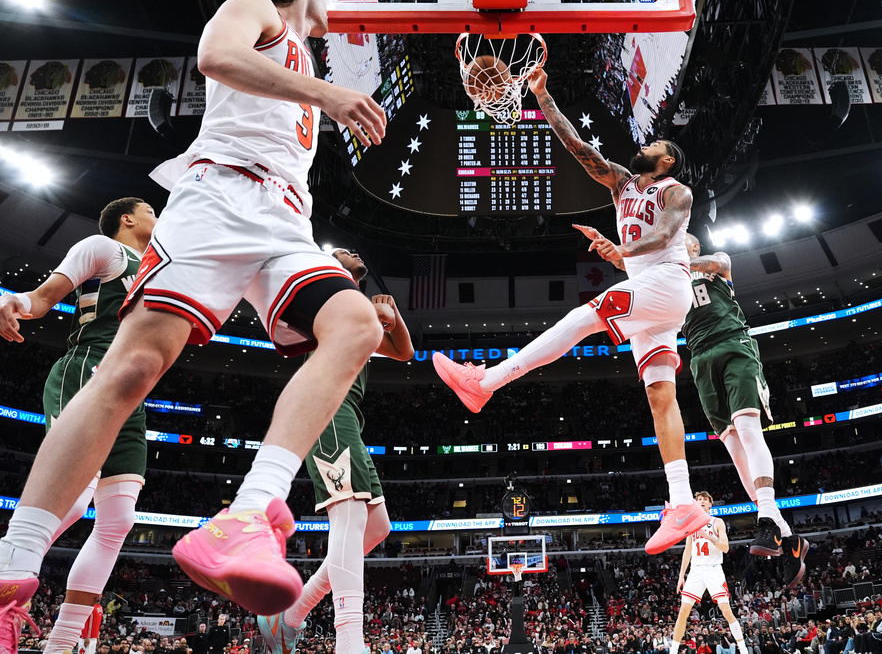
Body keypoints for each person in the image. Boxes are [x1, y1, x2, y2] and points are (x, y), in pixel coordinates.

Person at [0, 0, 388, 627]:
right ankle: (17, 554)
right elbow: (214, 55)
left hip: (287, 219)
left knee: (354, 324)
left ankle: (247, 511)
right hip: (221, 196)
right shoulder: (256, 6)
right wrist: (331, 95)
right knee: (131, 369)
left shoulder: (304, 47)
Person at [433, 67, 708, 553]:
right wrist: (543, 95)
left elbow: (666, 235)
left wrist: (623, 252)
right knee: (660, 398)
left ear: (667, 161)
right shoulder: (623, 184)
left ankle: (486, 383)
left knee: (584, 317)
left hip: (667, 283)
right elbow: (577, 146)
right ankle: (683, 502)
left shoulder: (675, 192)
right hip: (652, 300)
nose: (645, 145)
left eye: (656, 144)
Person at [0, 197, 157, 652]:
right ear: (127, 219)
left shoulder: (160, 266)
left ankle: (62, 642)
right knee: (74, 493)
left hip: (134, 388)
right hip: (89, 369)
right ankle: (11, 565)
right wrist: (16, 303)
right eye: (150, 209)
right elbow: (43, 299)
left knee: (119, 519)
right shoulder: (104, 248)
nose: (157, 216)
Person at [258, 247, 414, 654]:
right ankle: (349, 640)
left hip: (347, 417)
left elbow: (404, 352)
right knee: (347, 516)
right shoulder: (318, 299)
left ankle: (292, 613)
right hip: (326, 408)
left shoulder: (359, 313)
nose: (353, 250)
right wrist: (375, 317)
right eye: (341, 250)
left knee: (377, 527)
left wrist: (391, 320)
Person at [682, 234, 808, 586]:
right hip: (699, 359)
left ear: (693, 245)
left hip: (733, 344)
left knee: (749, 429)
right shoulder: (669, 281)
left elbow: (715, 262)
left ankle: (767, 520)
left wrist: (677, 262)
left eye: (684, 239)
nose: (678, 241)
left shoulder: (715, 265)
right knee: (733, 446)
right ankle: (788, 536)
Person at [669, 492, 748, 654]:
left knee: (726, 610)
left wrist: (709, 537)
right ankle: (673, 650)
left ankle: (743, 648)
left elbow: (725, 548)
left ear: (710, 504)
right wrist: (681, 576)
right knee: (683, 611)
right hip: (696, 570)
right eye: (699, 500)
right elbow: (687, 551)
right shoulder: (691, 524)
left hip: (713, 568)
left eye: (705, 500)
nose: (702, 501)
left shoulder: (717, 522)